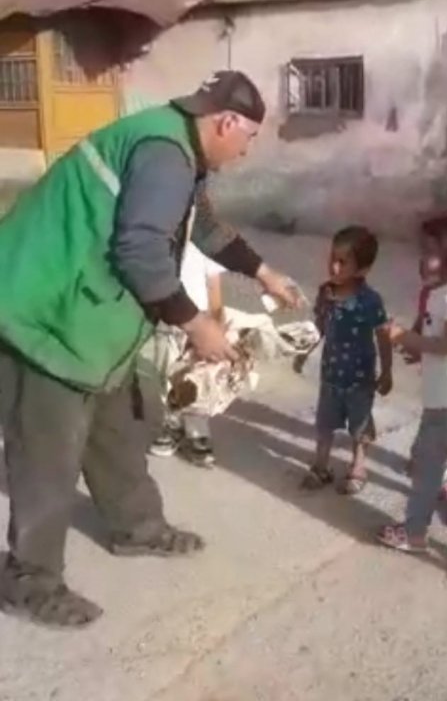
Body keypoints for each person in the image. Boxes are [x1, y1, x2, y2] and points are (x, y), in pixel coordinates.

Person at [0, 70, 300, 628]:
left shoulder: (177, 148)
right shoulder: (164, 152)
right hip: (43, 314)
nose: (245, 151)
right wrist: (196, 325)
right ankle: (30, 580)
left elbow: (201, 228)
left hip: (91, 320)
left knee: (120, 424)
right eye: (249, 138)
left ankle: (136, 528)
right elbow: (140, 251)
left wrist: (262, 271)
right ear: (226, 121)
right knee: (48, 453)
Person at [377, 241, 447, 552]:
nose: (423, 268)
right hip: (438, 395)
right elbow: (430, 334)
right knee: (437, 459)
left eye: (431, 263)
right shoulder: (438, 292)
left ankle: (415, 531)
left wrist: (406, 338)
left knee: (431, 463)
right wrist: (413, 346)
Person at [301, 226, 393, 495]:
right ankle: (321, 465)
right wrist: (303, 350)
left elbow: (383, 336)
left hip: (360, 378)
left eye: (343, 262)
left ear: (362, 269)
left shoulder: (370, 301)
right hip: (330, 374)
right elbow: (319, 326)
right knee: (324, 423)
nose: (334, 266)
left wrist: (387, 371)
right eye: (332, 258)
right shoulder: (325, 293)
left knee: (360, 426)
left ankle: (359, 466)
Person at [144, 240, 228, 469]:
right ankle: (168, 423)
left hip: (199, 324)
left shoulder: (206, 241)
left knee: (196, 379)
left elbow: (214, 289)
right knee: (164, 373)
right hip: (166, 321)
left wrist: (217, 325)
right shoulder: (163, 234)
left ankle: (197, 431)